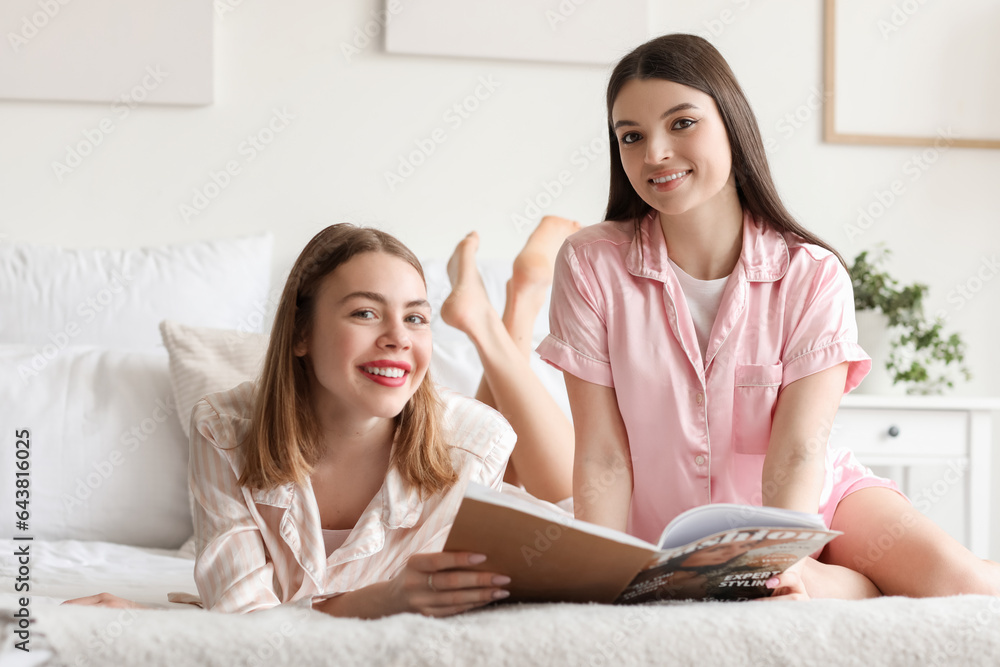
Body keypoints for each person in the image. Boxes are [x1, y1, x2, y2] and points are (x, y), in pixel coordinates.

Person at [535, 33, 1000, 600]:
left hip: (815, 499)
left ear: (731, 123)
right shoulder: (590, 264)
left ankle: (832, 577)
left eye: (682, 123)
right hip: (671, 526)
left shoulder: (812, 274)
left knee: (966, 584)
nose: (654, 152)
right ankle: (856, 587)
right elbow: (602, 450)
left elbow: (801, 448)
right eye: (631, 136)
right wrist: (598, 580)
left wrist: (784, 565)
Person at [66, 219, 577, 617]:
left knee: (556, 491)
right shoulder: (225, 430)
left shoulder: (471, 441)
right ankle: (511, 308)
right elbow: (243, 615)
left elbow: (580, 529)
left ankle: (505, 316)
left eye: (416, 317)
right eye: (365, 312)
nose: (398, 335)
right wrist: (378, 601)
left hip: (461, 441)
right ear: (299, 334)